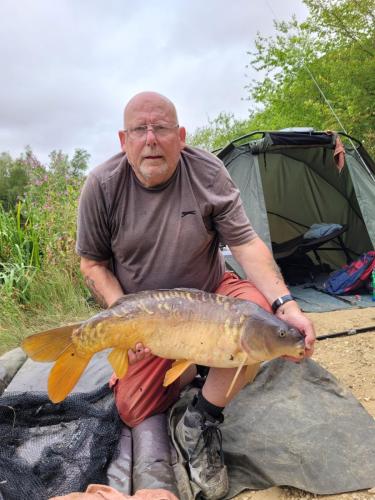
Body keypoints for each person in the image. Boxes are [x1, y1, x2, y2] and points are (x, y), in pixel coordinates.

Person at [76, 91, 316, 499]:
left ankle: (200, 422)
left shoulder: (207, 170)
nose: (151, 139)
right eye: (139, 129)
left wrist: (286, 306)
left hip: (210, 296)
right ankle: (193, 369)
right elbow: (92, 264)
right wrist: (123, 319)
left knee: (258, 319)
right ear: (123, 140)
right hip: (146, 312)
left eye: (162, 128)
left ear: (181, 135)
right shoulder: (101, 185)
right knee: (133, 408)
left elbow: (245, 244)